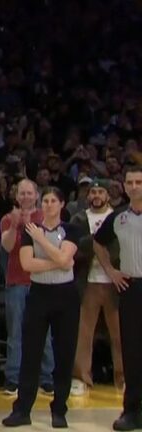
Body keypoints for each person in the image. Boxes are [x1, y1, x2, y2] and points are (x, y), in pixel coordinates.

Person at [2, 187, 80, 428]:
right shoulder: (28, 231)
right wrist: (58, 261)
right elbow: (27, 264)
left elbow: (65, 259)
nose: (47, 204)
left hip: (65, 296)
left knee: (64, 353)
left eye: (53, 200)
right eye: (44, 200)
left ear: (62, 204)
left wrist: (42, 241)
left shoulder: (71, 230)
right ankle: (22, 409)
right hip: (39, 295)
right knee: (31, 352)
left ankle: (59, 409)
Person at [93, 166, 142, 431]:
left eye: (139, 182)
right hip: (131, 287)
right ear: (124, 186)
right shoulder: (119, 216)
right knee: (133, 351)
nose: (135, 187)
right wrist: (111, 270)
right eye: (130, 182)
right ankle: (132, 412)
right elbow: (98, 242)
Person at [0, 179, 55, 396]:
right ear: (16, 196)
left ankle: (46, 378)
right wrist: (15, 224)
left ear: (36, 195)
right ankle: (13, 379)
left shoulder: (46, 218)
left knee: (46, 331)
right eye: (21, 193)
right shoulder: (7, 219)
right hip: (16, 282)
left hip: (42, 281)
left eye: (29, 193)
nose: (25, 197)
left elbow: (50, 247)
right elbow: (6, 246)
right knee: (15, 333)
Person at [69, 179, 123, 395]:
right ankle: (81, 378)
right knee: (83, 333)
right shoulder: (79, 218)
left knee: (120, 334)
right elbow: (74, 247)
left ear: (108, 195)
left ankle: (123, 378)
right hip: (88, 281)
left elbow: (121, 248)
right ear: (88, 195)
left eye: (101, 191)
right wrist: (93, 242)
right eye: (93, 192)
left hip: (116, 283)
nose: (97, 195)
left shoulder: (119, 218)